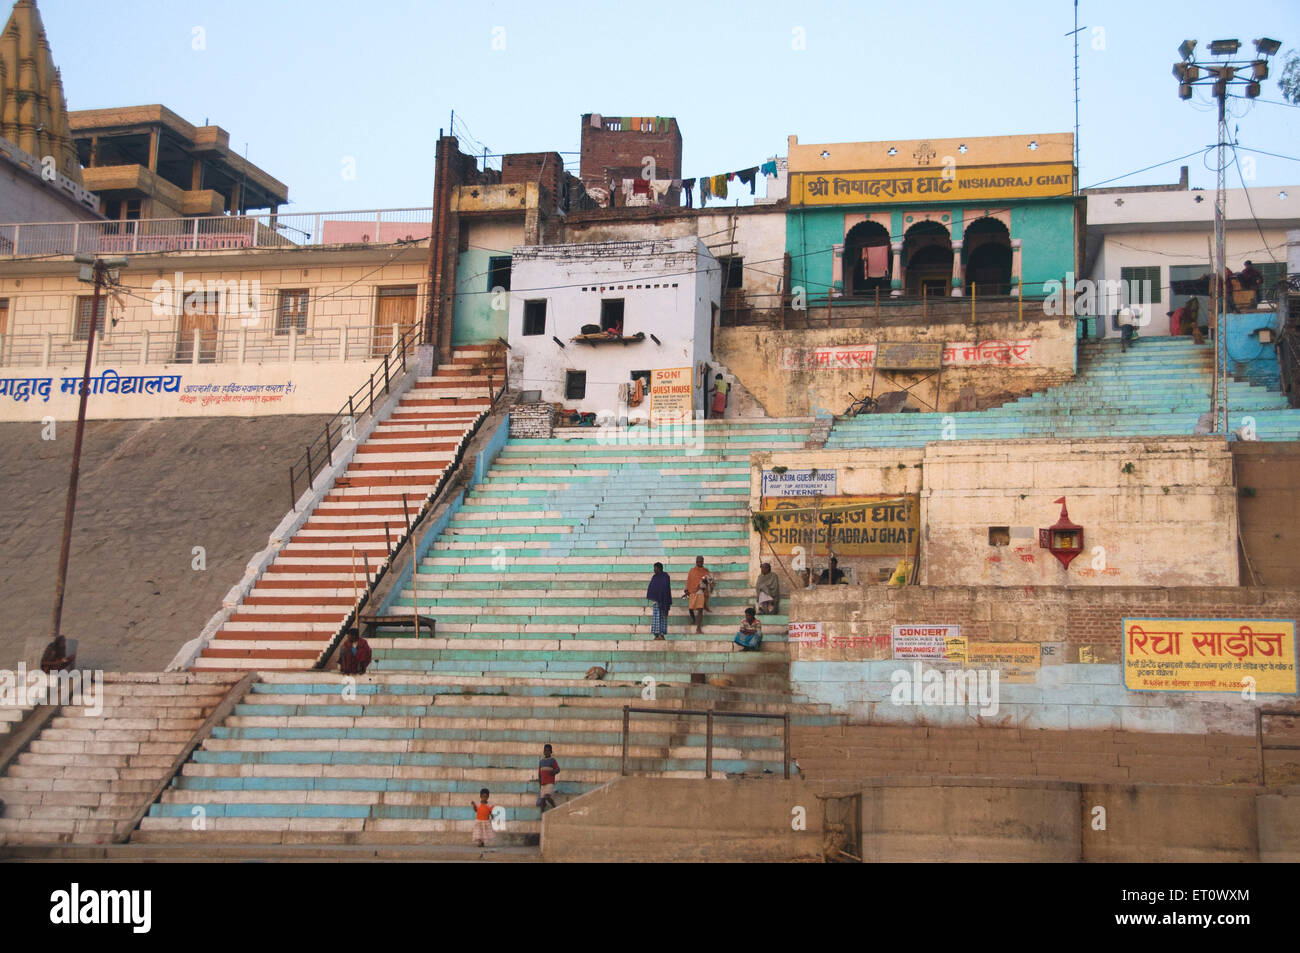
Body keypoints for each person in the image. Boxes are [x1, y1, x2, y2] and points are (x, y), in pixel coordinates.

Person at [684, 555, 713, 634]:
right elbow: (689, 580)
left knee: (700, 609)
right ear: (696, 562)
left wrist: (706, 581)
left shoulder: (706, 570)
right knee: (691, 609)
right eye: (698, 561)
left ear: (703, 561)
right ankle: (693, 620)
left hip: (701, 591)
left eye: (701, 561)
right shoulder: (692, 570)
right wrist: (686, 590)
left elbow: (710, 581)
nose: (700, 562)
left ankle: (698, 628)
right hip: (692, 591)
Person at [646, 562, 672, 640]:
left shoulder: (665, 576)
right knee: (656, 618)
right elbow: (651, 587)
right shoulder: (654, 577)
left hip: (664, 601)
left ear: (659, 568)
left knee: (663, 617)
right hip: (656, 601)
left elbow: (666, 588)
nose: (654, 570)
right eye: (654, 568)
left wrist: (663, 597)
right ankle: (657, 635)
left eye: (655, 568)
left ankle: (662, 634)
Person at [537, 744, 561, 812]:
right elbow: (539, 773)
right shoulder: (541, 761)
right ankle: (542, 815)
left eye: (548, 750)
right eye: (545, 750)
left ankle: (554, 806)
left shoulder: (552, 760)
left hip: (550, 783)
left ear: (551, 752)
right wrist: (540, 782)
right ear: (543, 751)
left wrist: (553, 772)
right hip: (543, 783)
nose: (546, 752)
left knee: (547, 796)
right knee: (542, 801)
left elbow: (558, 769)